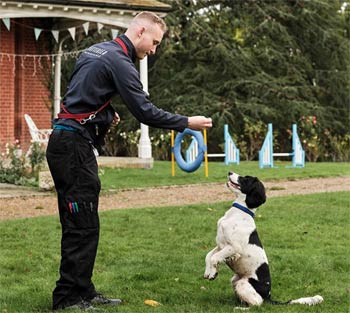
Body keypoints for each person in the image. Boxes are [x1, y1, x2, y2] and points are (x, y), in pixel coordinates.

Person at [46, 11, 212, 311]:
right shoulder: (119, 61)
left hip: (67, 143)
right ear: (140, 32)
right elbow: (145, 111)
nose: (154, 50)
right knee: (80, 224)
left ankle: (83, 290)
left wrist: (107, 114)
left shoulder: (96, 50)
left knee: (85, 222)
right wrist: (187, 122)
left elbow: (80, 95)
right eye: (155, 42)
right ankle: (67, 298)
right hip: (72, 149)